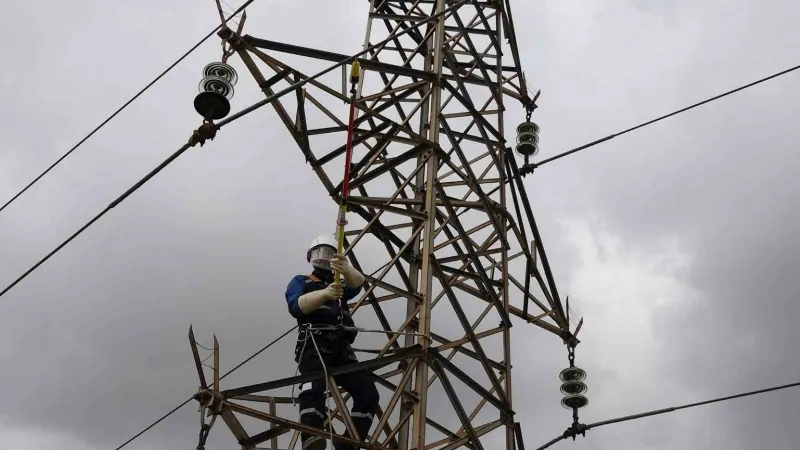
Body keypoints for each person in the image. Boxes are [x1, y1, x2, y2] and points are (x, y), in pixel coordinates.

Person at [285, 234, 380, 450]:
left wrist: (345, 268)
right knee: (312, 388)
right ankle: (312, 435)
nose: (324, 258)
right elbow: (297, 307)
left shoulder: (338, 284)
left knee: (368, 393)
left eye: (329, 253)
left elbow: (357, 284)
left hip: (341, 348)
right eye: (321, 253)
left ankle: (350, 441)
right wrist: (324, 294)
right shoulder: (302, 281)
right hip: (315, 344)